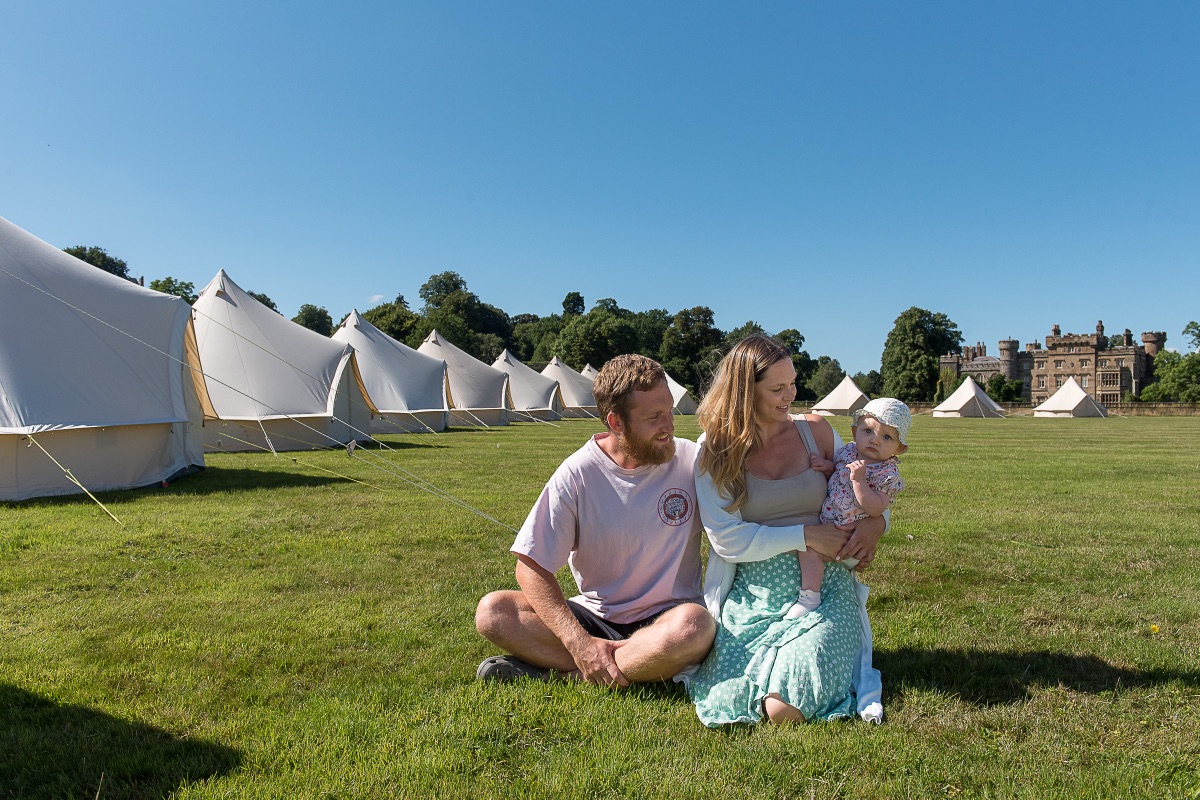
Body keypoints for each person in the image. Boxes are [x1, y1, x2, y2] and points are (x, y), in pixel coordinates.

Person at [474, 354, 716, 687]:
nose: (670, 426)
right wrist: (579, 641)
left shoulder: (691, 461)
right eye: (655, 417)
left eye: (670, 411)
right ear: (616, 423)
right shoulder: (578, 474)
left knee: (695, 627)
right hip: (595, 618)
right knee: (494, 612)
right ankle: (635, 666)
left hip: (669, 617)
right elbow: (531, 565)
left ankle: (570, 677)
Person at [684, 334, 886, 726]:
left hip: (825, 586)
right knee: (732, 695)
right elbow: (726, 539)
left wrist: (877, 523)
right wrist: (806, 535)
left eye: (792, 383)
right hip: (753, 592)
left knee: (783, 708)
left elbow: (865, 488)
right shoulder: (716, 449)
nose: (790, 395)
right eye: (777, 388)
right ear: (744, 392)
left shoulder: (818, 432)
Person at [789, 397, 909, 619]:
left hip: (850, 538)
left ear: (898, 448)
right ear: (855, 433)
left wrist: (860, 482)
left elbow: (875, 509)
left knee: (809, 549)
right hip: (831, 523)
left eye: (886, 437)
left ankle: (809, 598)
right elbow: (838, 470)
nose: (875, 440)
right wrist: (827, 467)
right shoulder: (848, 453)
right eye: (868, 431)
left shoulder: (887, 475)